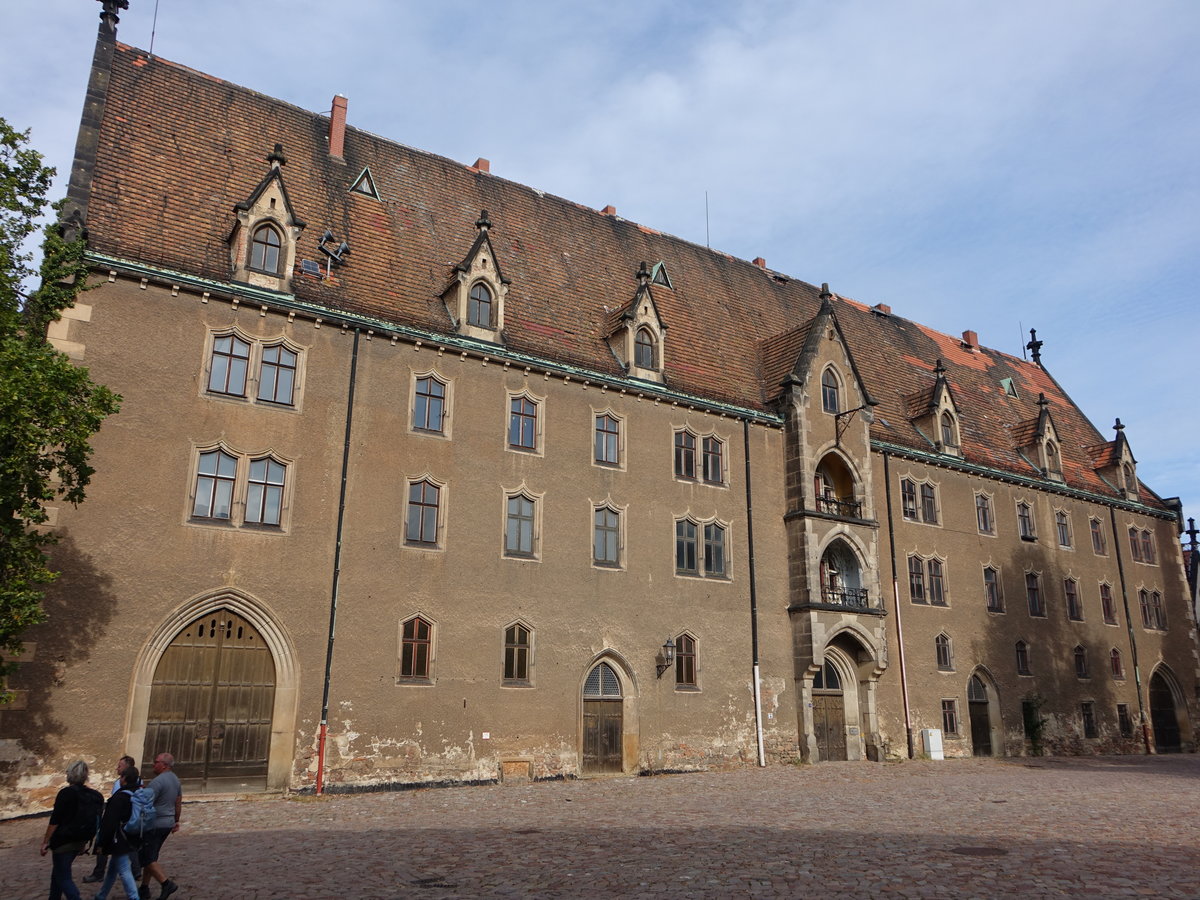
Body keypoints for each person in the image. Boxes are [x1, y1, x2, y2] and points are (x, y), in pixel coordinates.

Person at [40, 759, 103, 900]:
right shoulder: (95, 795)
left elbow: (55, 820)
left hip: (63, 841)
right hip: (80, 840)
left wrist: (45, 842)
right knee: (58, 873)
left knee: (63, 877)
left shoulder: (66, 793)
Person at [84, 755, 141, 885]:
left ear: (127, 768)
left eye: (120, 766)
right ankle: (136, 871)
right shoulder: (134, 783)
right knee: (128, 848)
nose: (117, 768)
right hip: (126, 823)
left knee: (107, 848)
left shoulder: (124, 786)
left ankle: (99, 873)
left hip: (118, 823)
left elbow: (116, 805)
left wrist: (105, 830)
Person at [92, 766, 143, 900]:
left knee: (124, 870)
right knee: (113, 870)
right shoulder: (138, 793)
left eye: (121, 777)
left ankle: (134, 897)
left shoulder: (120, 797)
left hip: (119, 838)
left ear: (124, 779)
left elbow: (109, 822)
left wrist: (102, 841)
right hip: (130, 835)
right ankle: (101, 895)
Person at [138, 753, 181, 900]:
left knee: (146, 857)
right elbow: (178, 801)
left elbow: (145, 803)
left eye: (156, 762)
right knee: (152, 856)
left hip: (155, 823)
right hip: (168, 823)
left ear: (164, 765)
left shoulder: (157, 782)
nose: (153, 765)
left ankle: (166, 883)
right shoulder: (175, 779)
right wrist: (176, 820)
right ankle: (144, 888)